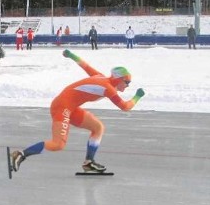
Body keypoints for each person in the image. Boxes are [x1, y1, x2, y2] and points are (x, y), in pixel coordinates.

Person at [10, 49, 145, 174]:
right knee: (58, 144)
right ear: (119, 79)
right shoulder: (107, 88)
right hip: (61, 107)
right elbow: (125, 107)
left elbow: (84, 65)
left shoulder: (100, 77)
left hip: (71, 107)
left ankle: (89, 162)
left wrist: (71, 56)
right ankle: (21, 154)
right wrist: (138, 96)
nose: (128, 85)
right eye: (127, 82)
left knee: (98, 128)